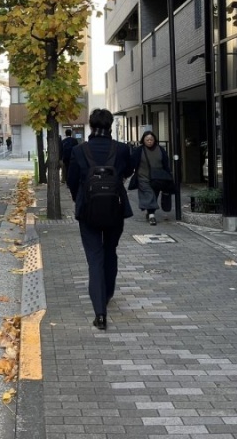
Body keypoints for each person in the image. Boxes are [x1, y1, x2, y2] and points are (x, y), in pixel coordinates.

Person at [67, 109, 133, 331]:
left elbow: (72, 180)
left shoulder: (79, 150)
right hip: (116, 209)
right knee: (110, 251)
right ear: (111, 125)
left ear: (90, 125)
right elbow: (129, 170)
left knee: (94, 258)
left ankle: (100, 314)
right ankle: (108, 293)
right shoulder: (122, 149)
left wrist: (81, 198)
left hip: (88, 212)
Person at [130, 130, 172, 226]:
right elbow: (132, 163)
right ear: (143, 140)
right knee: (149, 194)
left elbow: (166, 163)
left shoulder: (160, 149)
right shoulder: (139, 150)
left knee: (154, 195)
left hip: (157, 178)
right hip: (143, 177)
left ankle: (149, 211)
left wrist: (168, 176)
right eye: (147, 139)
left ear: (154, 140)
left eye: (151, 139)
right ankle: (152, 216)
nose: (149, 141)